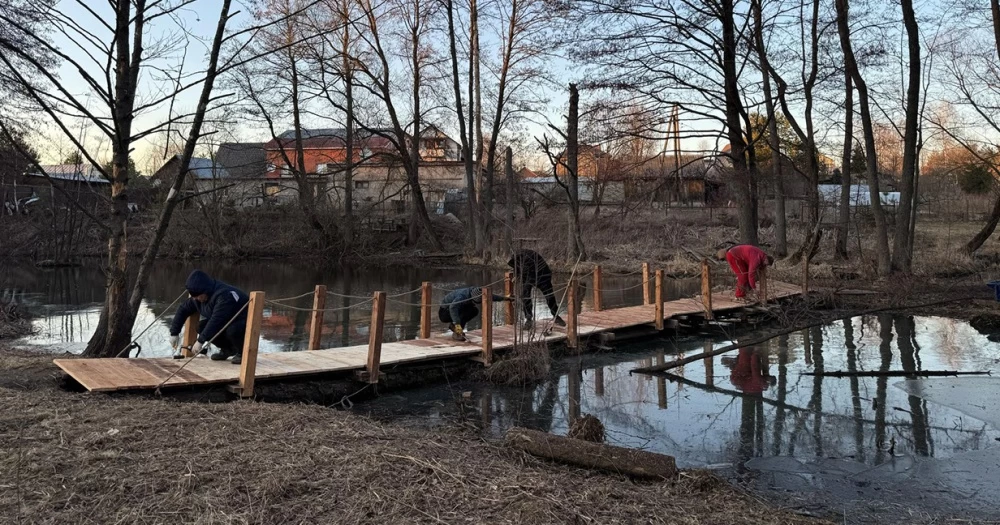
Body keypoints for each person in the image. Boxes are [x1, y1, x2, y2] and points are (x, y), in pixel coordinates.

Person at [169, 270, 250, 364]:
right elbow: (183, 309)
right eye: (194, 296)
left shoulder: (224, 296)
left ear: (205, 291)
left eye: (197, 296)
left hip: (243, 322)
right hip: (225, 322)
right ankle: (228, 349)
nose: (195, 299)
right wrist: (174, 333)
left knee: (233, 330)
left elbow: (217, 320)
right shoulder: (198, 298)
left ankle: (242, 352)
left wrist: (200, 341)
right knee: (201, 326)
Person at [507, 249, 566, 329]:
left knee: (549, 296)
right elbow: (518, 268)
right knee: (525, 295)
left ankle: (556, 316)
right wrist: (517, 275)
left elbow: (528, 274)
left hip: (543, 275)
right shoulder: (519, 259)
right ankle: (528, 319)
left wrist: (523, 278)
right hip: (528, 273)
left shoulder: (530, 259)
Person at [439, 287, 512, 341]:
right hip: (445, 313)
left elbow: (491, 296)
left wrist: (506, 298)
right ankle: (457, 331)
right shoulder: (462, 297)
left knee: (474, 311)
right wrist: (457, 323)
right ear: (473, 299)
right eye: (475, 302)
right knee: (467, 311)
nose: (475, 304)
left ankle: (456, 328)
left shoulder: (477, 292)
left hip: (456, 309)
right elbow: (452, 308)